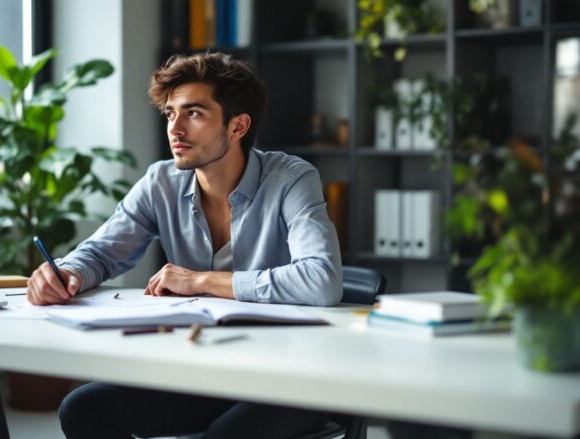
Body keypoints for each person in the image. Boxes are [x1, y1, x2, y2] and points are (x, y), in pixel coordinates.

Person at [27, 52, 343, 438]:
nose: (175, 128)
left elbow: (322, 280)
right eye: (170, 114)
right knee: (82, 409)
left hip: (289, 381)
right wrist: (67, 271)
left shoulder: (291, 179)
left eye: (193, 113)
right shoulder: (161, 182)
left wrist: (203, 280)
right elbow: (102, 252)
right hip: (203, 374)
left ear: (237, 126)